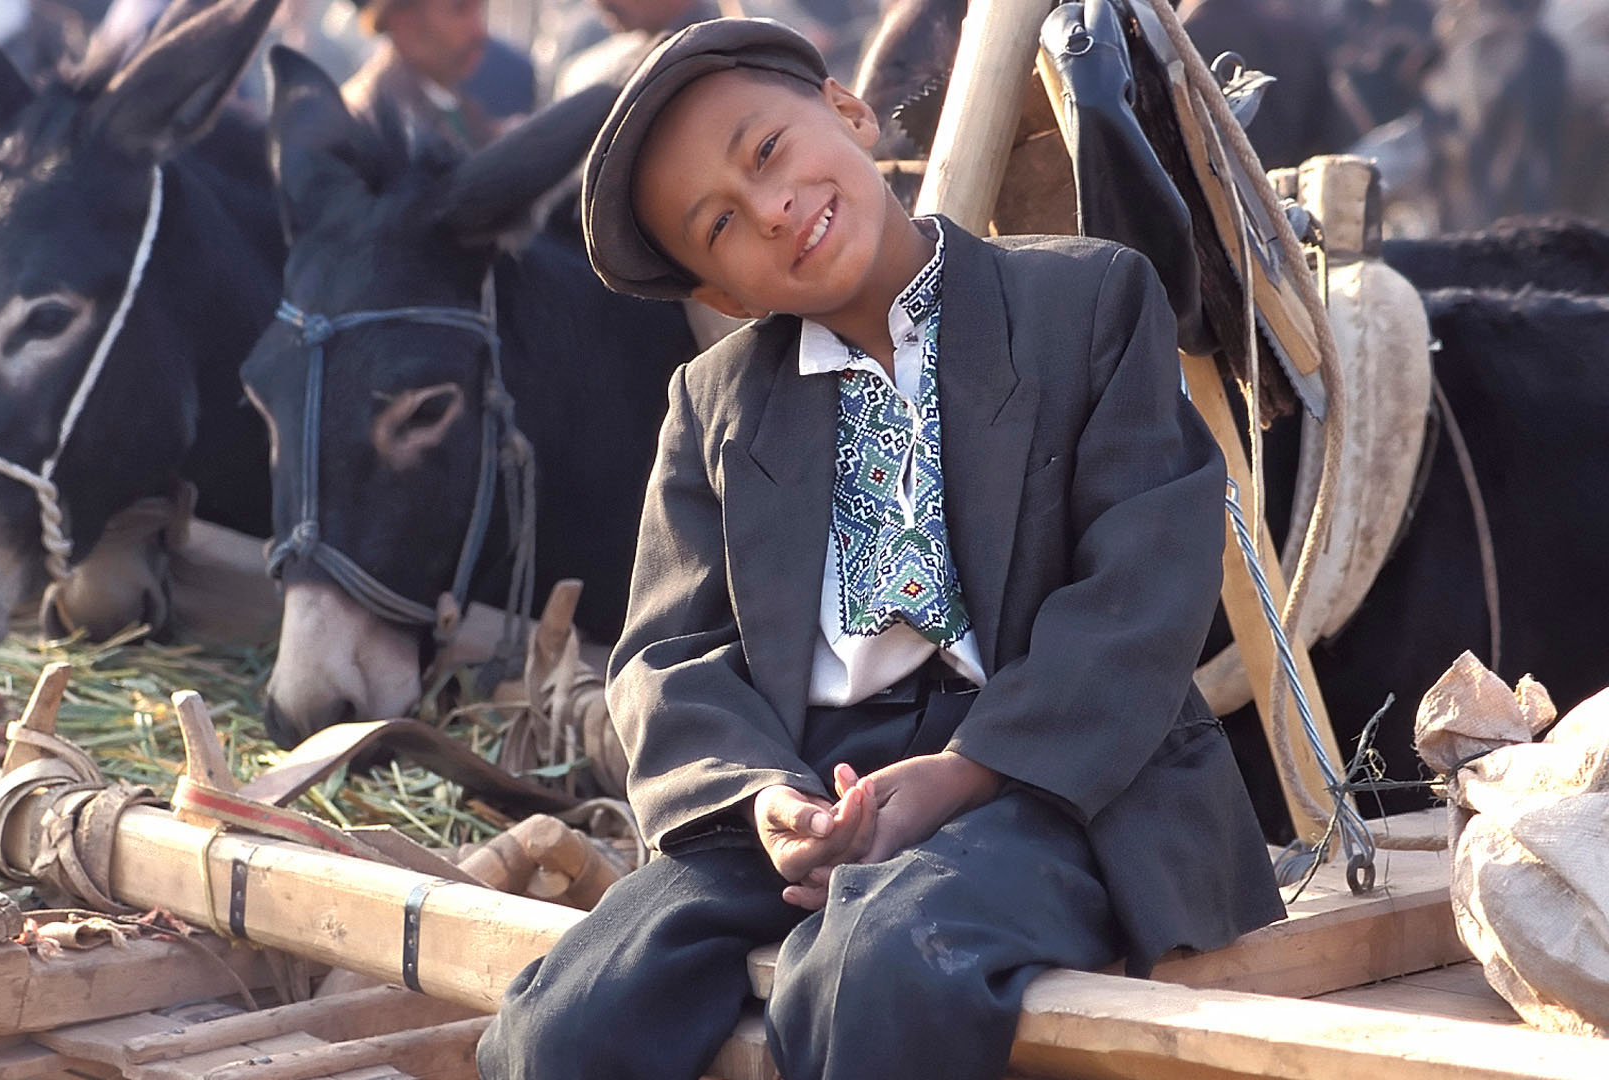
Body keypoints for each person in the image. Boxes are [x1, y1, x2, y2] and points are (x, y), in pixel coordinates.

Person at [476, 18, 1285, 1080]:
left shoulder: (1084, 304)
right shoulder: (714, 404)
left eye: (766, 151)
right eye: (720, 224)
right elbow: (667, 662)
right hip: (816, 788)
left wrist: (965, 772)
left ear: (848, 112)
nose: (771, 209)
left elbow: (1141, 589)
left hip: (1055, 783)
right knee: (562, 1019)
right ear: (723, 294)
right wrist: (767, 802)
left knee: (878, 963)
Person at [345, 0, 525, 151]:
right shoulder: (378, 126)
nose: (480, 31)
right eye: (460, 9)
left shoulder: (444, 97)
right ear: (405, 24)